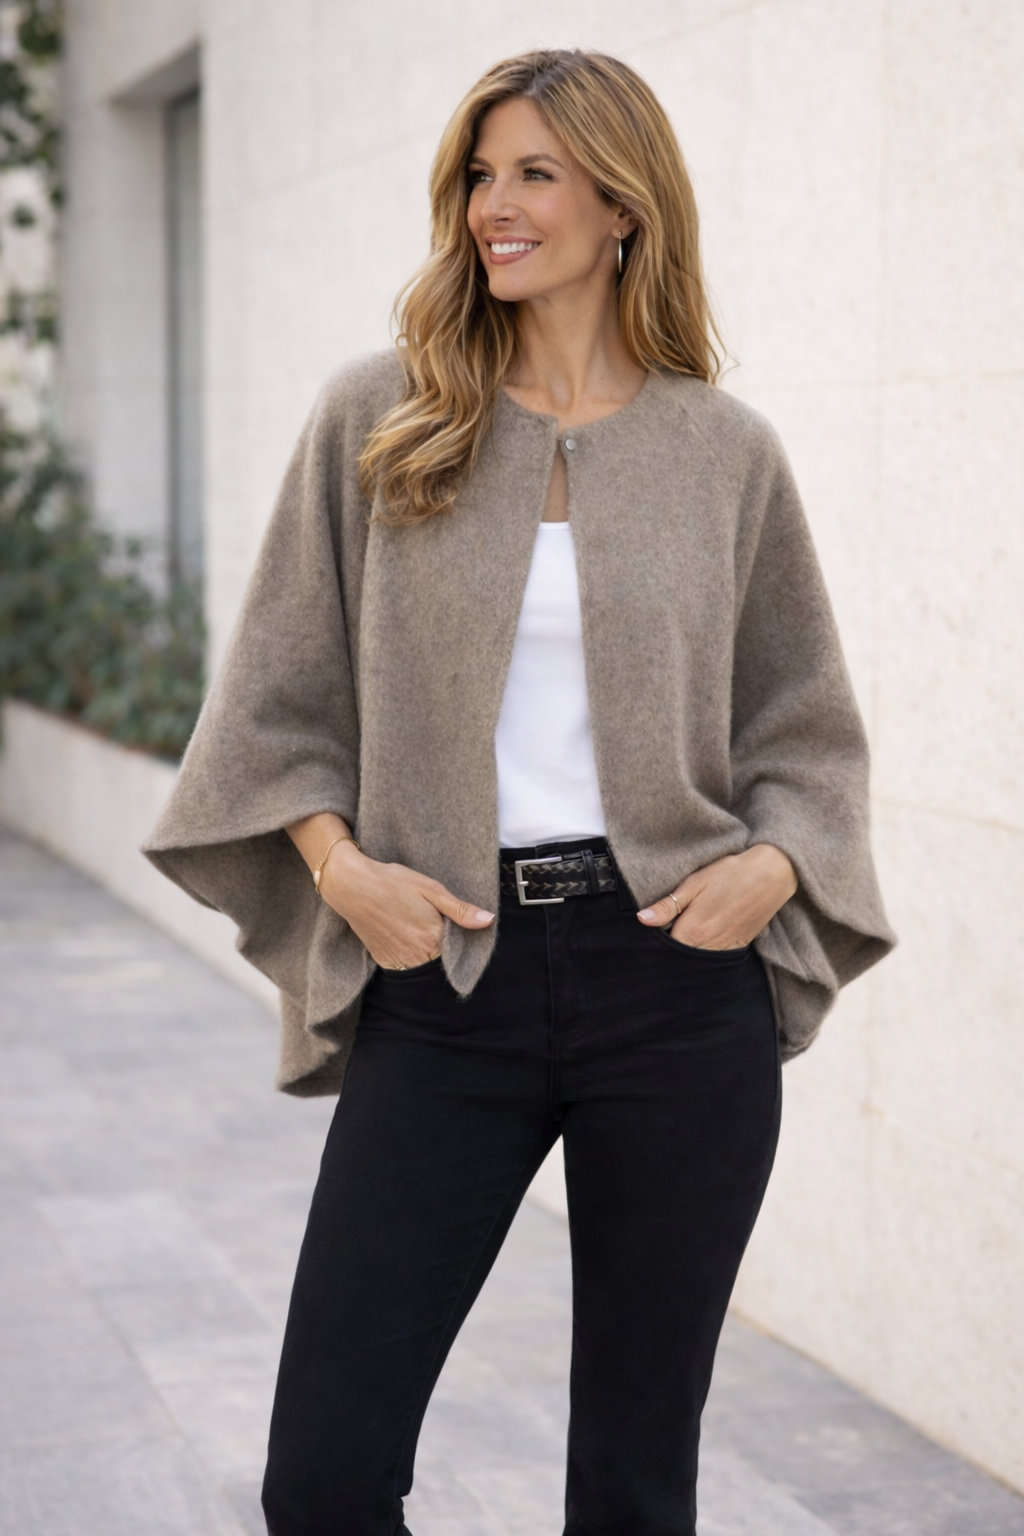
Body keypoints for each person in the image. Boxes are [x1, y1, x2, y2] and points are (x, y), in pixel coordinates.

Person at [145, 47, 895, 1536]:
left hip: (675, 988)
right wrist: (343, 871)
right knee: (325, 1477)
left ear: (624, 206)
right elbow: (277, 704)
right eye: (480, 175)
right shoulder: (382, 413)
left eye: (535, 174)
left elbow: (803, 727)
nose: (495, 204)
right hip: (447, 977)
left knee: (634, 1484)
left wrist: (772, 867)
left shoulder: (723, 452)